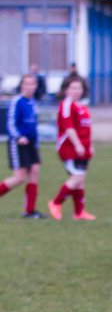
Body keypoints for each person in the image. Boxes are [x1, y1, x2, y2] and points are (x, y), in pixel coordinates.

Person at [48, 74, 95, 221]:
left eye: (79, 87)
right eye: (73, 88)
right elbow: (69, 128)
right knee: (76, 177)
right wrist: (78, 145)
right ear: (66, 90)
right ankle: (55, 203)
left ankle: (79, 212)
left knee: (80, 181)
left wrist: (90, 145)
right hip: (70, 148)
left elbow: (86, 129)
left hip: (83, 148)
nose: (76, 90)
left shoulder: (81, 106)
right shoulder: (66, 104)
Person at [1, 73, 44, 218]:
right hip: (18, 143)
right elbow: (10, 124)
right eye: (26, 83)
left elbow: (34, 125)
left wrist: (36, 142)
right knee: (19, 178)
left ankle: (30, 210)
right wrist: (18, 137)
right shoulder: (17, 101)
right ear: (21, 85)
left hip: (31, 143)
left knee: (35, 171)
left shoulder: (32, 102)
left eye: (32, 83)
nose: (29, 86)